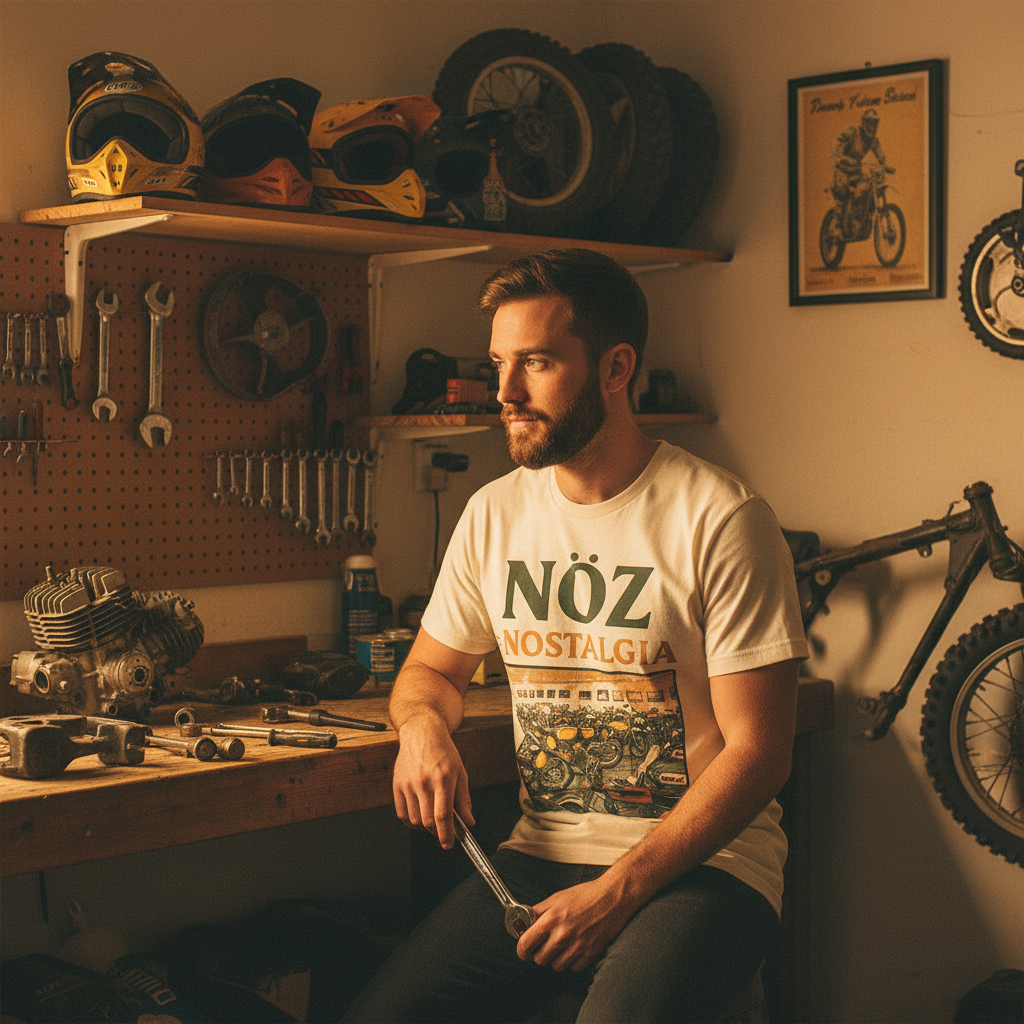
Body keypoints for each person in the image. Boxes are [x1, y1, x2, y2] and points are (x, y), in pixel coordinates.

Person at [342, 248, 809, 1024]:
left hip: (707, 868)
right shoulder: (495, 514)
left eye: (536, 362)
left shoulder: (719, 518)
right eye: (499, 364)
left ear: (616, 368)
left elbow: (760, 753)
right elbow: (430, 672)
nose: (506, 394)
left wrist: (617, 891)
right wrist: (421, 731)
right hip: (541, 856)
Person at [829, 108, 894, 227]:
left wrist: (885, 166)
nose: (872, 127)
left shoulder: (873, 140)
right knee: (841, 198)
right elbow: (837, 141)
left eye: (874, 123)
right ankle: (836, 226)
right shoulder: (853, 132)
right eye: (869, 123)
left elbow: (880, 154)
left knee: (866, 188)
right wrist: (839, 156)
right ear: (864, 122)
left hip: (856, 172)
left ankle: (859, 216)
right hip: (843, 170)